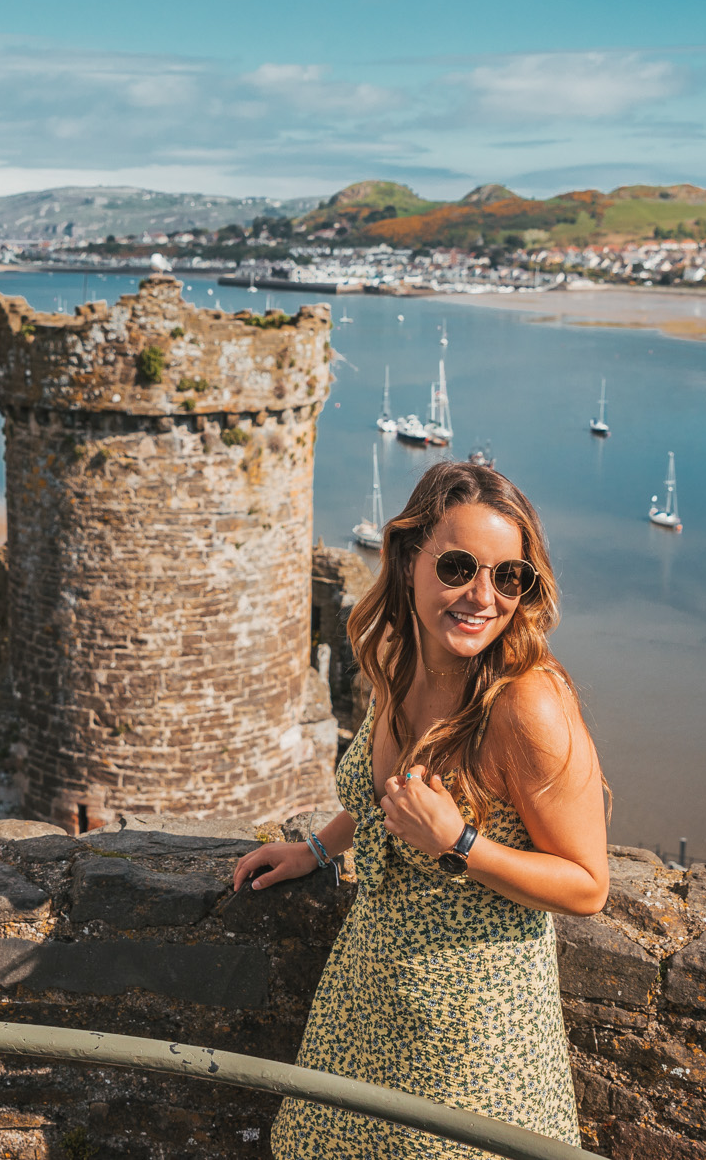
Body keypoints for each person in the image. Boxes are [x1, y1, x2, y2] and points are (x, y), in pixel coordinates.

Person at [233, 461, 609, 1158]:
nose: (482, 595)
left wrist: (459, 840)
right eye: (460, 566)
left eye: (508, 576)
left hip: (475, 1039)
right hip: (366, 1001)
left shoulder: (526, 705)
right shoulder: (398, 658)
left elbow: (588, 884)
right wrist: (316, 848)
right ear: (409, 559)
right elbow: (392, 803)